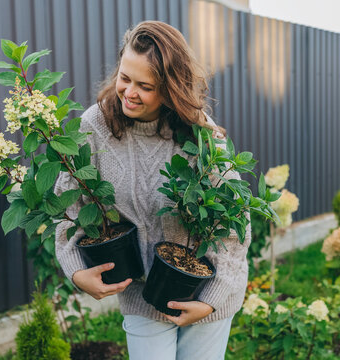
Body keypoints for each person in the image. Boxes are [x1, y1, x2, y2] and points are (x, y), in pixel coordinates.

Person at [54, 20, 250, 360]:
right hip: (142, 294)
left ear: (171, 89)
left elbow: (235, 222)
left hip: (206, 295)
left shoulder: (199, 132)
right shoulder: (93, 127)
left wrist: (212, 298)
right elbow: (67, 203)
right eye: (125, 78)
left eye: (145, 86)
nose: (129, 92)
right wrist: (74, 268)